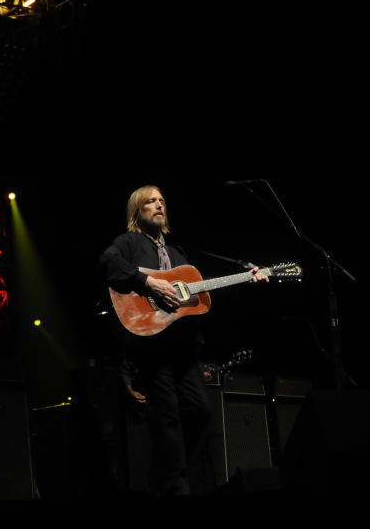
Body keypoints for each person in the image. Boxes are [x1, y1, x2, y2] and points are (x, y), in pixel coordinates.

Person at [99, 185, 265, 495]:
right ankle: (176, 485)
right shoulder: (129, 243)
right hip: (152, 349)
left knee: (201, 410)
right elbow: (108, 262)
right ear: (137, 210)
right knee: (169, 416)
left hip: (182, 351)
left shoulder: (178, 254)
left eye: (161, 200)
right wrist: (148, 282)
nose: (158, 205)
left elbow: (197, 301)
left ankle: (166, 470)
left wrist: (247, 278)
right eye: (150, 201)